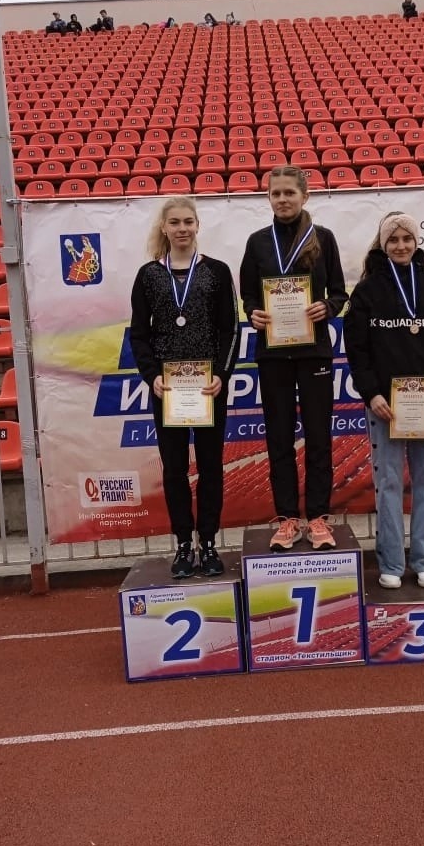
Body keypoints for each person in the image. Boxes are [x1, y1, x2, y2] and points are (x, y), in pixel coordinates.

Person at [343, 212, 424, 589]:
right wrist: (372, 394)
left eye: (406, 239)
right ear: (383, 245)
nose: (400, 246)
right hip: (385, 406)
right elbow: (357, 350)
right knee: (389, 483)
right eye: (393, 240)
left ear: (416, 242)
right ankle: (392, 563)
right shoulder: (366, 292)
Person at [239, 165, 348, 552]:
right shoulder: (257, 242)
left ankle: (318, 518)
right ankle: (287, 519)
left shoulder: (324, 238)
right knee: (279, 438)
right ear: (268, 197)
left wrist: (327, 308)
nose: (282, 199)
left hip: (314, 351)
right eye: (276, 193)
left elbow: (339, 292)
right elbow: (249, 295)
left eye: (289, 192)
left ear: (305, 196)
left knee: (318, 437)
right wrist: (253, 313)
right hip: (273, 354)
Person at [129, 197, 239, 578]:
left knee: (210, 467)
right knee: (175, 469)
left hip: (209, 388)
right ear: (164, 227)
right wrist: (152, 376)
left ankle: (207, 543)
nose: (182, 229)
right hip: (168, 390)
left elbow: (230, 329)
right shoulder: (148, 275)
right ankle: (181, 544)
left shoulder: (217, 271)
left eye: (188, 222)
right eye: (174, 222)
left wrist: (222, 374)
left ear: (197, 226)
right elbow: (139, 334)